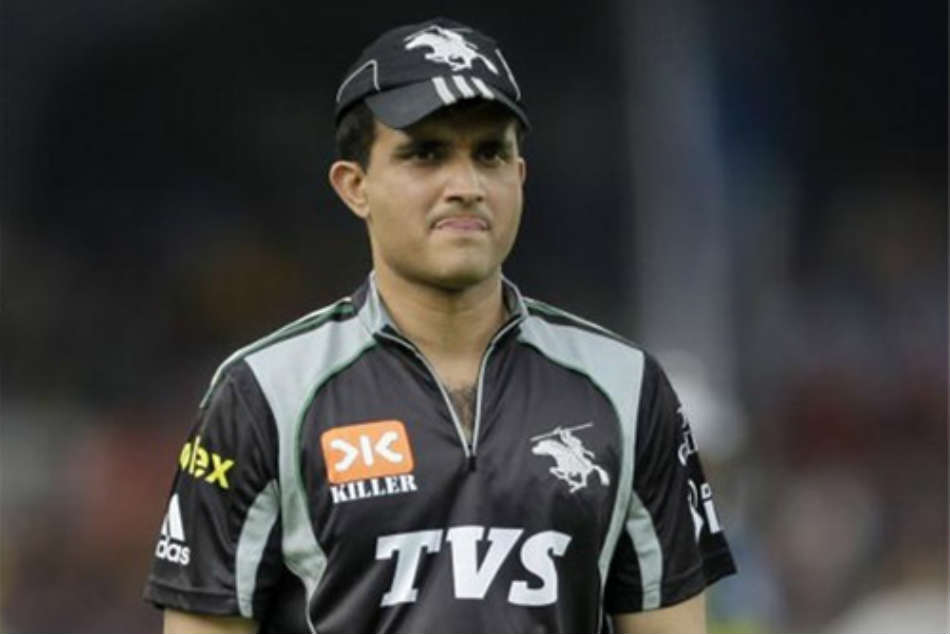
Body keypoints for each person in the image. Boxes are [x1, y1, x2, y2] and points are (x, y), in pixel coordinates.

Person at [143, 17, 736, 634]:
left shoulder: (628, 387)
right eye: (426, 153)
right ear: (354, 186)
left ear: (519, 177)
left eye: (490, 154)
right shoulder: (263, 396)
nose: (466, 186)